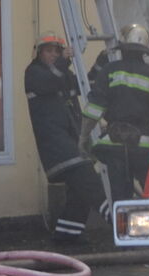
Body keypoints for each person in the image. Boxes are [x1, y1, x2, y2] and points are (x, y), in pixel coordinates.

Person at [25, 33, 110, 247]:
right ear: (38, 53)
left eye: (57, 51)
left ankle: (67, 234)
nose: (54, 55)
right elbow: (50, 80)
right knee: (91, 184)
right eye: (49, 51)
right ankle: (122, 225)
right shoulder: (33, 73)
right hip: (57, 146)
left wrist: (103, 61)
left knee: (79, 191)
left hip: (73, 142)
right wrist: (64, 60)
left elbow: (87, 84)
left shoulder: (65, 74)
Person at [82, 23, 149, 215]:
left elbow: (93, 111)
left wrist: (83, 139)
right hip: (145, 145)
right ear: (144, 51)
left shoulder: (109, 71)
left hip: (114, 144)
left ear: (123, 48)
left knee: (120, 197)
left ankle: (124, 237)